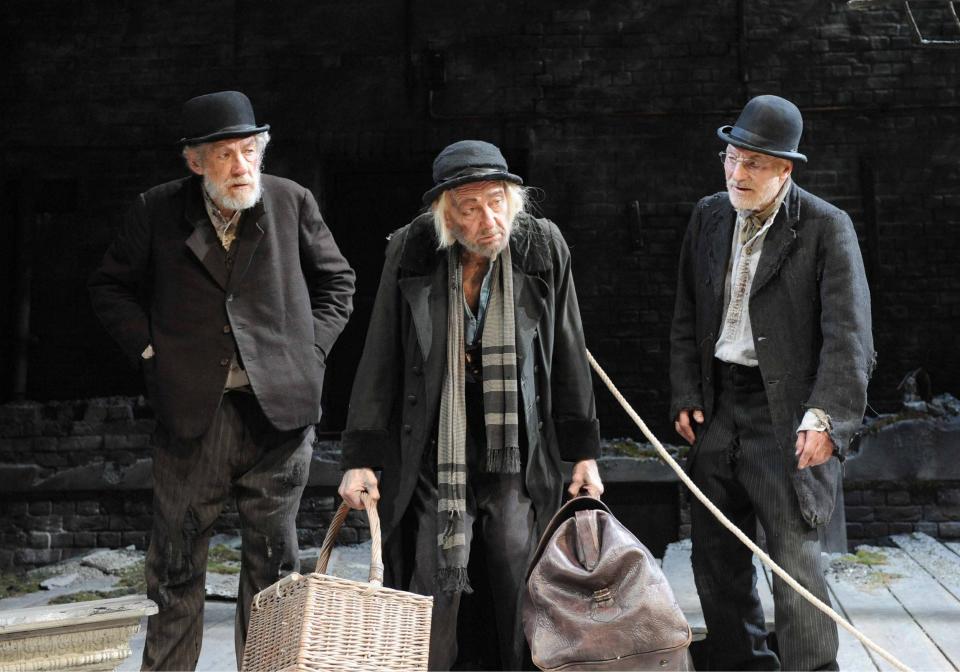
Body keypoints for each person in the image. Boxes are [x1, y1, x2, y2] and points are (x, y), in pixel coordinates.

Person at [88, 90, 355, 670]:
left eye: (250, 151)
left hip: (277, 417)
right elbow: (108, 287)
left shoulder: (289, 201)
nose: (242, 166)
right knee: (177, 563)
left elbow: (339, 282)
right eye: (227, 155)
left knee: (274, 567)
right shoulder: (157, 210)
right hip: (193, 414)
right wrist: (149, 347)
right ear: (195, 161)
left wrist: (309, 352)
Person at [337, 140, 604, 670]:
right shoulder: (412, 248)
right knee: (435, 579)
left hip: (516, 448)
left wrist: (582, 453)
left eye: (497, 200)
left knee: (517, 567)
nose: (489, 218)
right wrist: (360, 456)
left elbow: (569, 351)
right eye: (470, 206)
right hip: (438, 445)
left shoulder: (541, 248)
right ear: (446, 214)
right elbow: (380, 353)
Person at [669, 95, 874, 671]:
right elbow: (687, 313)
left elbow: (848, 334)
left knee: (794, 561)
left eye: (754, 163)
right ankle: (740, 665)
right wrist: (686, 391)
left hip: (786, 414)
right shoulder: (709, 217)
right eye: (731, 158)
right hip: (718, 408)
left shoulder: (826, 228)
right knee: (715, 557)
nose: (737, 174)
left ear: (785, 168)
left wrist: (827, 417)